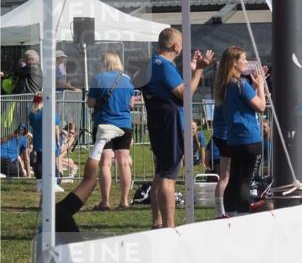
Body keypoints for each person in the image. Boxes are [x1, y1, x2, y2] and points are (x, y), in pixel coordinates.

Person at [139, 27, 213, 229]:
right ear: (175, 45)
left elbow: (173, 88)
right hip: (169, 124)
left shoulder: (154, 64)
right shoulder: (163, 65)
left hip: (160, 122)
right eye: (181, 42)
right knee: (168, 175)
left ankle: (158, 222)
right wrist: (199, 70)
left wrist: (191, 69)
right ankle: (169, 225)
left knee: (160, 172)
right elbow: (185, 93)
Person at [53, 121, 129, 234]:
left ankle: (101, 141)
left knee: (89, 181)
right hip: (58, 218)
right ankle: (101, 140)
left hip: (57, 218)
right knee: (90, 181)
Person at [217, 45, 266, 215]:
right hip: (249, 139)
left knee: (234, 179)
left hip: (234, 139)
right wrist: (260, 85)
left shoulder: (226, 85)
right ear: (234, 63)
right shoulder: (240, 83)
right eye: (243, 59)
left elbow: (243, 102)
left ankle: (230, 213)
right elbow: (261, 106)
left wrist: (253, 86)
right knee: (246, 180)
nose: (246, 62)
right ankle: (244, 214)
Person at [88, 51, 136, 210]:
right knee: (124, 163)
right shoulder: (128, 81)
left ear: (105, 62)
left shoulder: (97, 79)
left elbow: (90, 102)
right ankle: (124, 201)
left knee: (105, 163)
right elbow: (131, 105)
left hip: (104, 124)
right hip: (124, 125)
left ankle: (105, 202)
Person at [28, 94, 63, 191]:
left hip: (39, 142)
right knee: (52, 163)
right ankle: (54, 183)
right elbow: (56, 127)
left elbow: (32, 125)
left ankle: (40, 183)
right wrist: (58, 140)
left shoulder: (33, 113)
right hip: (50, 142)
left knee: (39, 162)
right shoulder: (52, 113)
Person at [209, 88, 231, 218]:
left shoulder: (221, 87)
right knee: (226, 177)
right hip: (227, 135)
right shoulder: (230, 88)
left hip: (221, 134)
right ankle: (222, 211)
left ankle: (220, 211)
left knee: (224, 176)